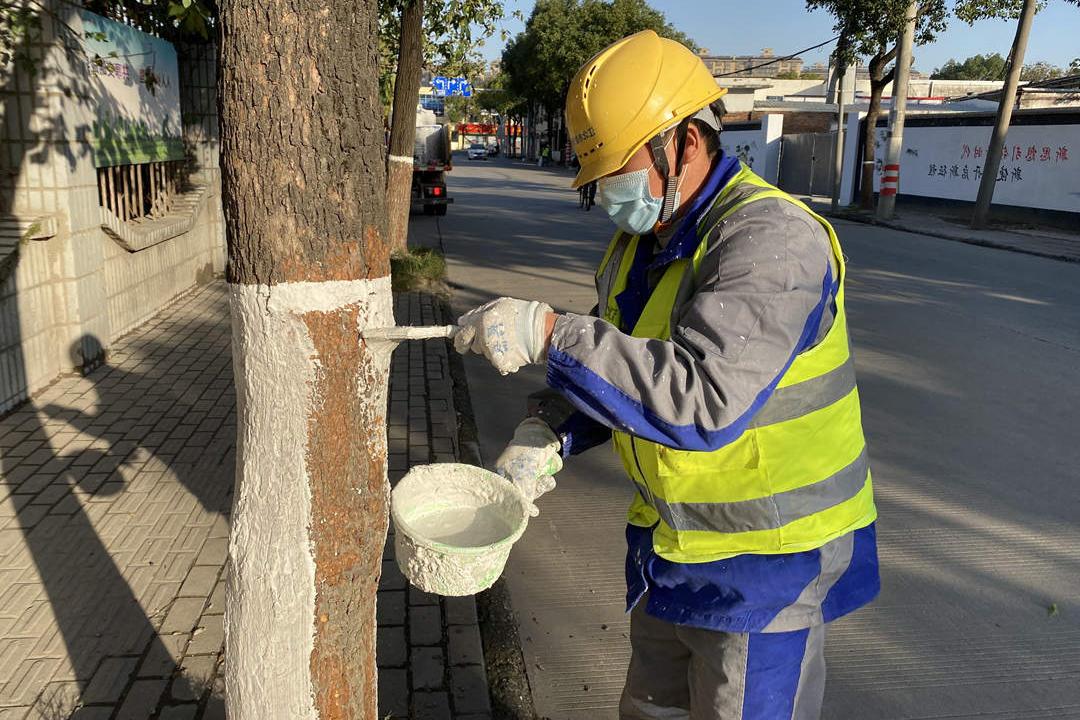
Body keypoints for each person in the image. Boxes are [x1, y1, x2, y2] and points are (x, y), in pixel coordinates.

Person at [454, 30, 879, 720]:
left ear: (685, 141)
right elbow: (624, 363)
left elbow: (702, 399)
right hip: (670, 552)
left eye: (621, 169)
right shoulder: (642, 241)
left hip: (765, 568)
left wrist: (550, 332)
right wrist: (549, 429)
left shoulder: (770, 242)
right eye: (600, 180)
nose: (611, 194)